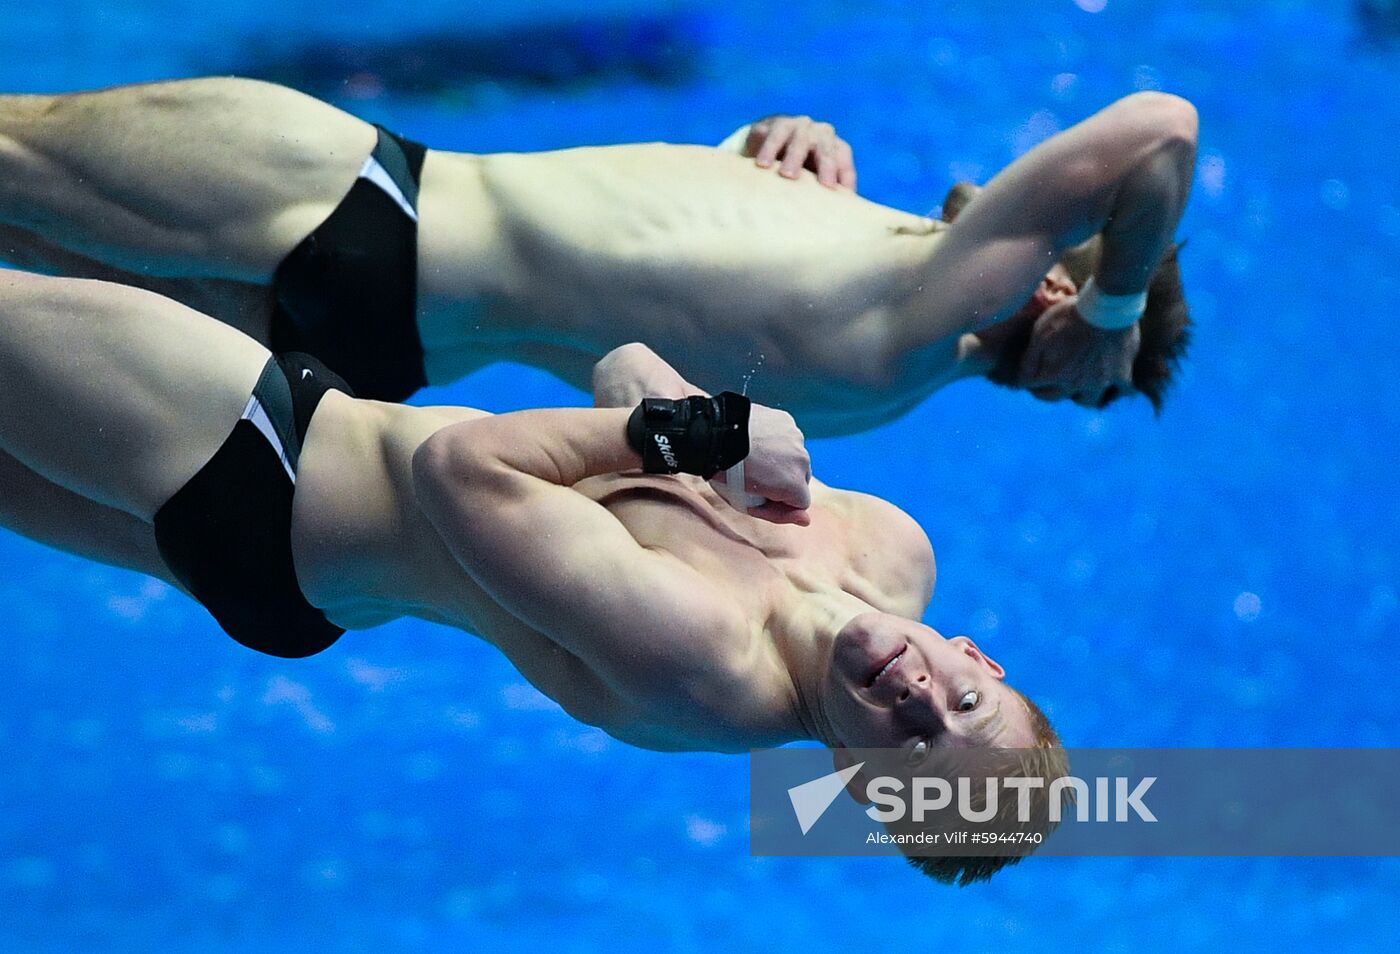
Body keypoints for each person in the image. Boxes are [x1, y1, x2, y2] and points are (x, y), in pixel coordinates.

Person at [0, 266, 1062, 884]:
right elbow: (626, 373)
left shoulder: (700, 664)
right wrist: (688, 428)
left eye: (912, 741)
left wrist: (706, 432)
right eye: (963, 699)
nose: (920, 698)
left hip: (263, 473)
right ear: (978, 654)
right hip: (306, 533)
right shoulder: (891, 550)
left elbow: (460, 469)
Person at [0, 79, 1197, 434]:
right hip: (385, 340)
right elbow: (658, 289)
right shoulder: (886, 350)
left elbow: (1156, 131)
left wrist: (1114, 308)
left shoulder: (926, 314)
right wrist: (740, 153)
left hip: (365, 217)